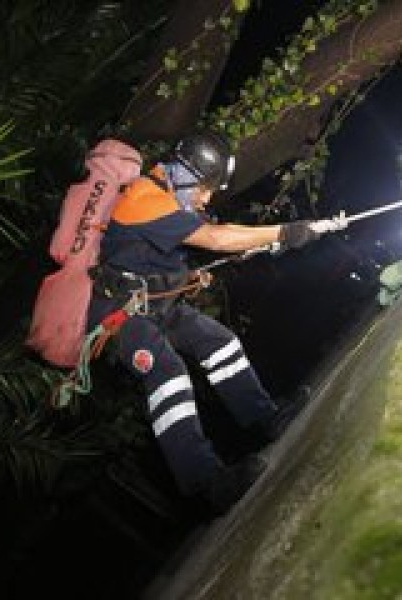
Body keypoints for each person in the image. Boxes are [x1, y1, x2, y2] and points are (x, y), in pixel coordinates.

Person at [85, 131, 346, 514]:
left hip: (157, 303)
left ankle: (264, 419)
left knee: (218, 341)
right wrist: (286, 233)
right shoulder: (144, 197)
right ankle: (207, 483)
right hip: (118, 312)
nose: (206, 198)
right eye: (205, 189)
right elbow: (217, 239)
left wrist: (274, 240)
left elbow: (223, 236)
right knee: (168, 374)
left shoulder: (171, 195)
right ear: (185, 173)